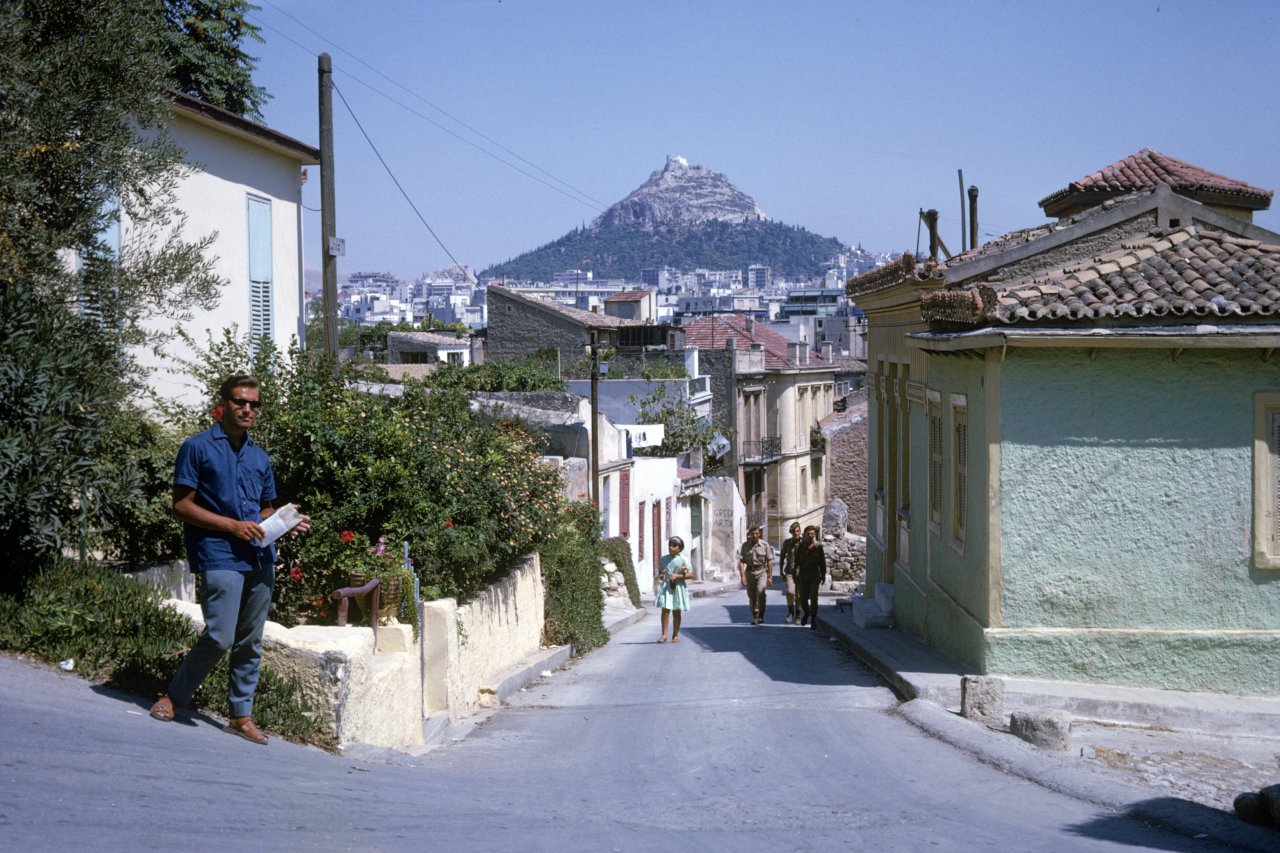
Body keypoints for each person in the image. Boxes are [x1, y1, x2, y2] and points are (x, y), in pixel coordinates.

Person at [149, 374, 308, 745]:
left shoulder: (259, 456)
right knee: (220, 636)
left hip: (259, 556)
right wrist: (232, 527)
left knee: (250, 639)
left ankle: (240, 715)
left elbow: (264, 509)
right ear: (224, 404)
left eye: (254, 404)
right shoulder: (197, 447)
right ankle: (173, 697)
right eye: (240, 402)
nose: (247, 409)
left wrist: (285, 521)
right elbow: (181, 505)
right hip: (219, 553)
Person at [654, 536, 692, 643]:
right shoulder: (663, 559)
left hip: (678, 587)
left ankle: (675, 635)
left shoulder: (683, 560)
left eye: (674, 545)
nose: (671, 547)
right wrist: (661, 576)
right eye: (670, 545)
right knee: (665, 610)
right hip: (667, 587)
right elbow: (661, 572)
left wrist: (678, 576)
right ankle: (664, 635)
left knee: (676, 611)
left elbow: (690, 574)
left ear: (679, 548)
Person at [738, 524, 775, 625]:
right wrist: (742, 576)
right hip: (749, 572)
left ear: (759, 534)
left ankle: (761, 615)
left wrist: (770, 577)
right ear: (749, 534)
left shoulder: (765, 545)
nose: (755, 535)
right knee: (752, 595)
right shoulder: (745, 546)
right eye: (753, 533)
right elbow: (741, 561)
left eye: (757, 533)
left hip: (761, 572)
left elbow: (769, 561)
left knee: (760, 592)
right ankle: (755, 616)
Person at [795, 525, 827, 629]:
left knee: (814, 598)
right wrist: (795, 575)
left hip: (814, 574)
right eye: (808, 534)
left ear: (815, 535)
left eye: (812, 534)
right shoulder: (800, 546)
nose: (810, 535)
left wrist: (823, 575)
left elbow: (822, 562)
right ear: (805, 534)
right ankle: (807, 612)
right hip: (803, 574)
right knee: (802, 598)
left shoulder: (818, 546)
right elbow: (796, 562)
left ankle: (813, 619)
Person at [779, 522, 802, 623]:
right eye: (794, 532)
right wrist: (780, 571)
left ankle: (798, 615)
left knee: (799, 595)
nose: (796, 533)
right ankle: (790, 612)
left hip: (802, 572)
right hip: (790, 571)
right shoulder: (787, 543)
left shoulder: (804, 542)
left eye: (798, 531)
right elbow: (782, 556)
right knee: (790, 592)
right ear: (791, 532)